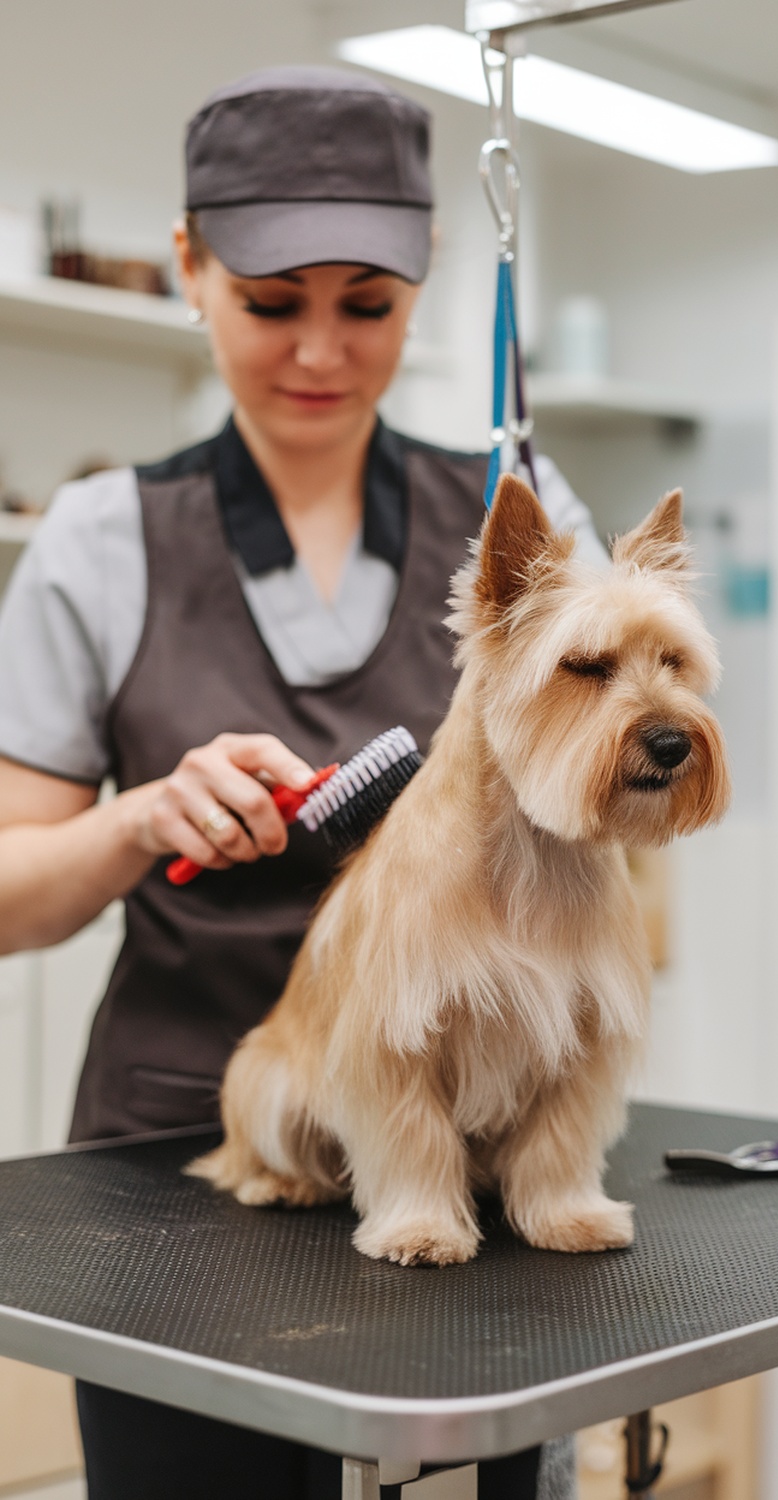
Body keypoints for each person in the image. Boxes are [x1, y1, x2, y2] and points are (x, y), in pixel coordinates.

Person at [0, 66, 603, 1500]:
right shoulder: (98, 539)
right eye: (272, 303)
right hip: (192, 1159)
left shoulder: (526, 515)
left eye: (369, 304)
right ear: (189, 265)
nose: (322, 350)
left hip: (473, 1155)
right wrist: (142, 818)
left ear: (430, 279)